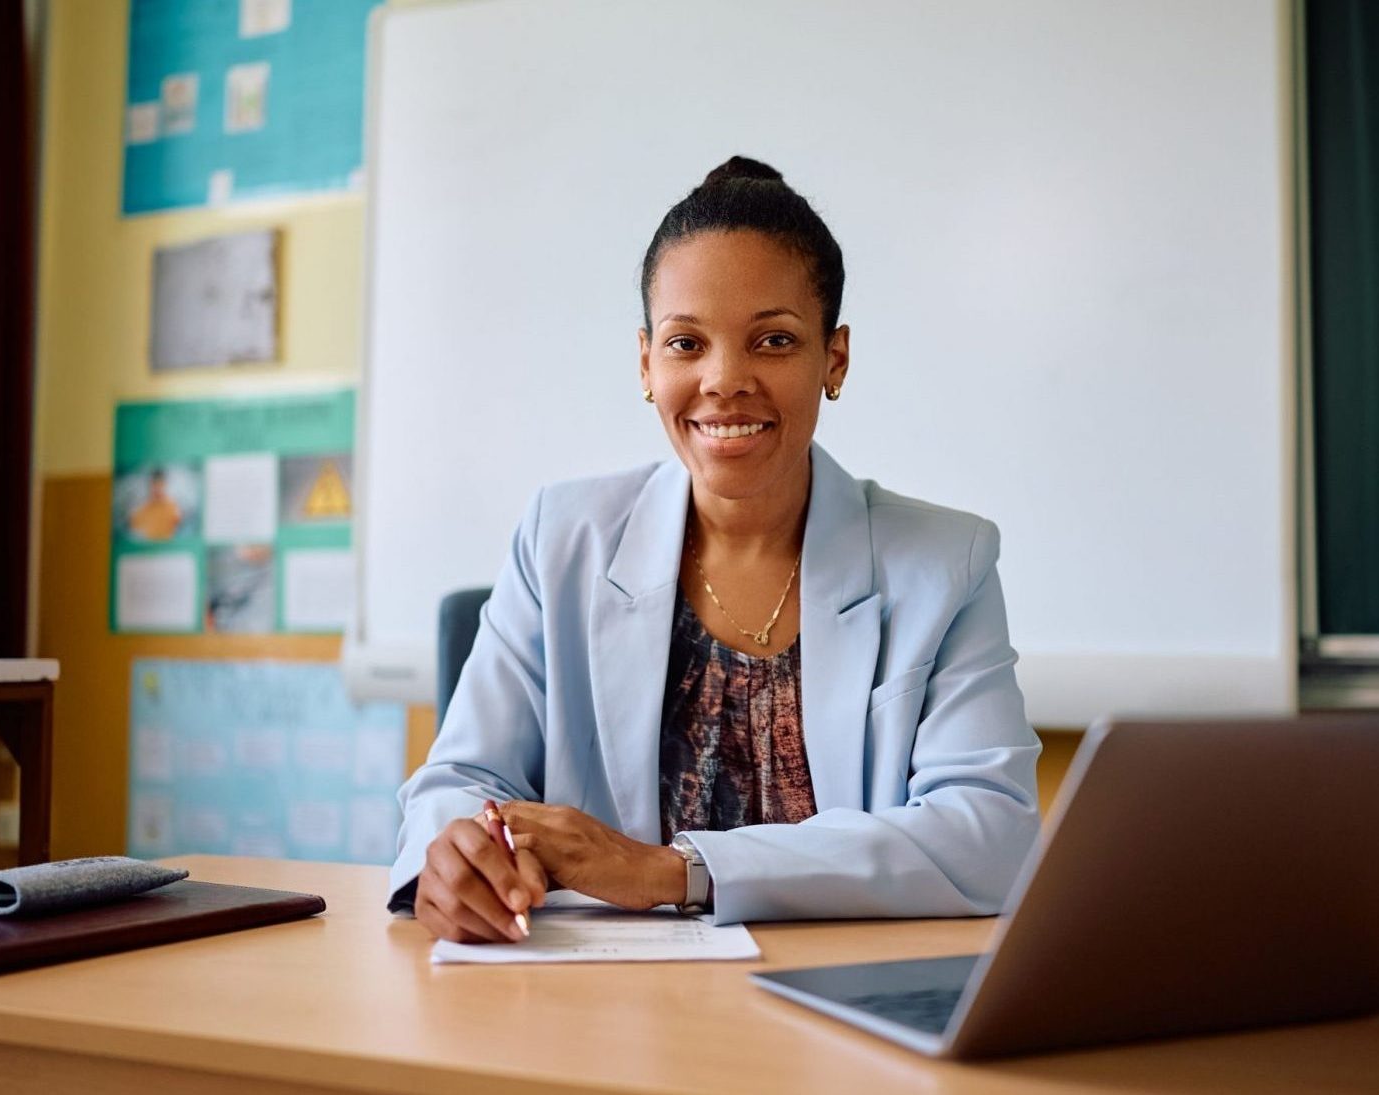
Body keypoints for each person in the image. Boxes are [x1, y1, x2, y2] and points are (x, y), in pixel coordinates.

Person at [391, 156, 1042, 942]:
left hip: (841, 1013)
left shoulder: (944, 561)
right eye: (685, 343)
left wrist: (671, 870)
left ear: (833, 359)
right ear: (645, 362)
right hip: (602, 1015)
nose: (725, 380)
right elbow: (463, 778)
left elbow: (987, 835)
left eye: (772, 340)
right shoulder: (561, 536)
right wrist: (458, 853)